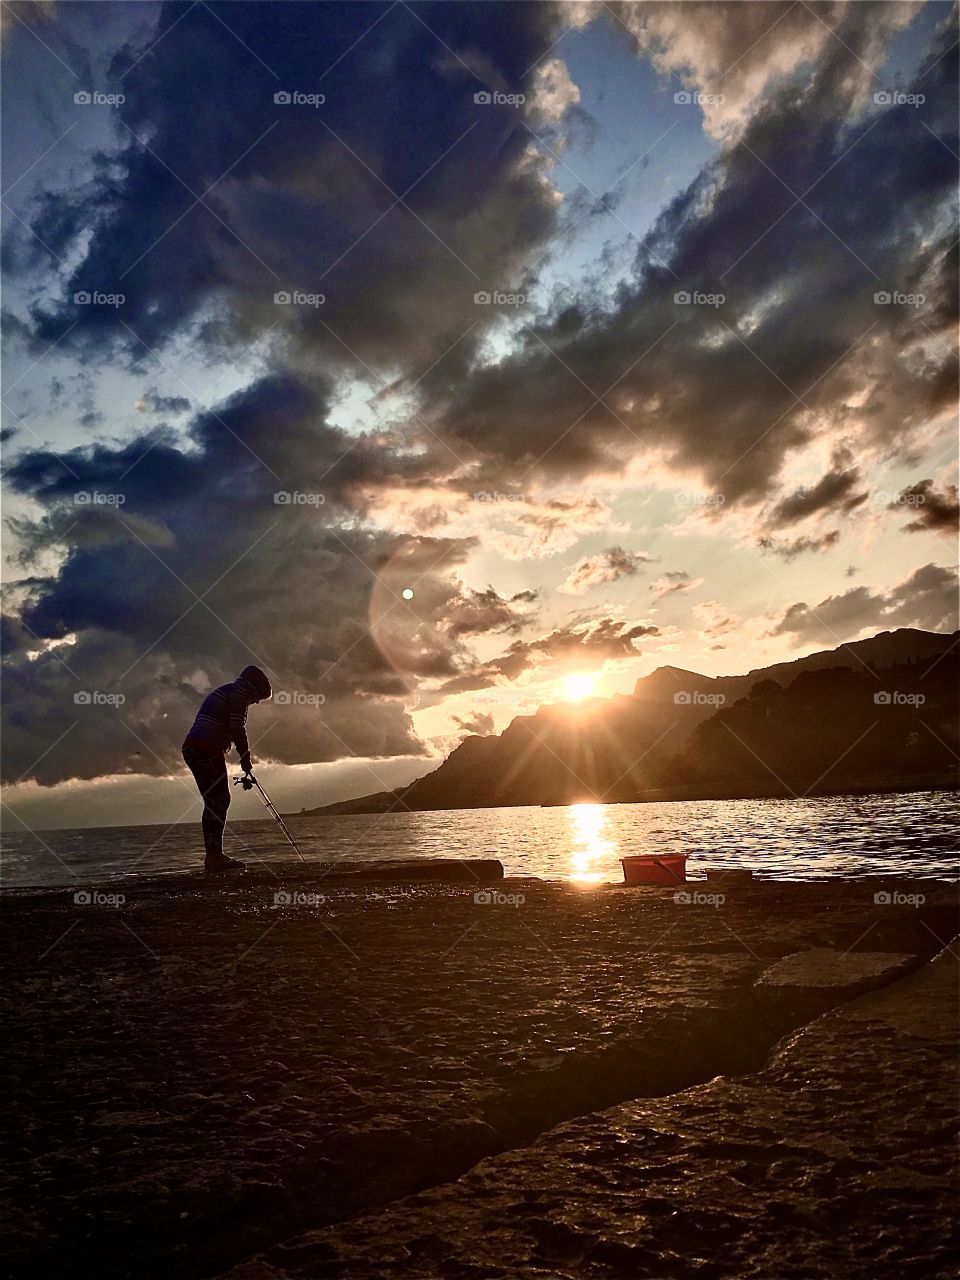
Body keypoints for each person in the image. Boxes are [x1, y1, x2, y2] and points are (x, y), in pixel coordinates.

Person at [182, 665, 272, 872]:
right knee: (218, 800)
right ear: (253, 689)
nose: (255, 703)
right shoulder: (238, 695)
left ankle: (214, 855)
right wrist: (245, 757)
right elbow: (237, 727)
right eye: (257, 699)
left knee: (217, 799)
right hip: (204, 749)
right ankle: (214, 857)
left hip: (199, 748)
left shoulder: (229, 691)